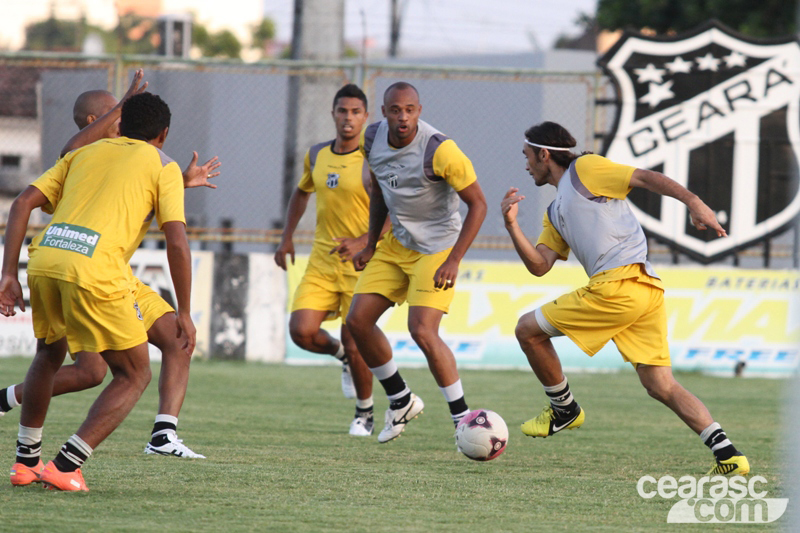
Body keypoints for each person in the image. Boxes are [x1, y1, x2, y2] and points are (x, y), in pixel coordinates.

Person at [502, 120, 749, 476]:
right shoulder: (554, 212)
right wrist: (511, 225)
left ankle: (564, 409)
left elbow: (645, 177)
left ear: (544, 154)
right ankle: (729, 455)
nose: (525, 165)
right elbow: (540, 266)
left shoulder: (584, 169)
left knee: (527, 330)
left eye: (527, 157)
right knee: (659, 384)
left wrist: (694, 202)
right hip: (645, 288)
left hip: (618, 286)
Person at [0, 71, 218, 460]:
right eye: (108, 109)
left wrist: (8, 273)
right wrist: (187, 308)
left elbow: (25, 202)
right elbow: (177, 242)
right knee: (125, 373)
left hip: (58, 259)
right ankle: (66, 464)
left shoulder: (83, 156)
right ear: (163, 134)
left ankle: (159, 435)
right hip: (97, 270)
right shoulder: (136, 159)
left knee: (167, 341)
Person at [347, 82, 487, 443]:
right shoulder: (372, 138)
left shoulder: (441, 150)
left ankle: (462, 420)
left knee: (422, 330)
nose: (403, 117)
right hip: (396, 244)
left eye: (409, 109)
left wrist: (454, 259)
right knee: (358, 322)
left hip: (438, 247)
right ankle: (401, 399)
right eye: (396, 110)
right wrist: (372, 242)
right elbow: (379, 191)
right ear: (384, 112)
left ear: (419, 111)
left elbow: (479, 205)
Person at [274, 84, 382, 436]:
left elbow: (396, 210)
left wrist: (364, 241)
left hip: (362, 264)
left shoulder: (374, 158)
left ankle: (364, 413)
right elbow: (302, 192)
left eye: (355, 112)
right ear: (333, 113)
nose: (348, 118)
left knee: (356, 339)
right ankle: (344, 360)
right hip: (322, 261)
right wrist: (287, 236)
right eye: (342, 111)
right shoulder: (317, 154)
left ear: (366, 117)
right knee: (301, 332)